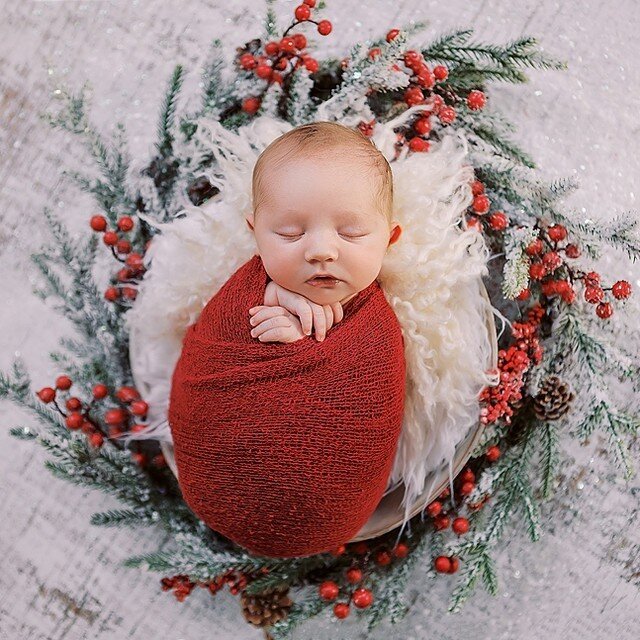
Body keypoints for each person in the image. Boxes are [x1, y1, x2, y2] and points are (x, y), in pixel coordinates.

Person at [244, 121, 402, 343]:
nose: (321, 251)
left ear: (389, 239)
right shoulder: (242, 295)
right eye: (291, 233)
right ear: (256, 235)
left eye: (351, 233)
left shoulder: (377, 332)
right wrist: (268, 297)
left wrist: (301, 343)